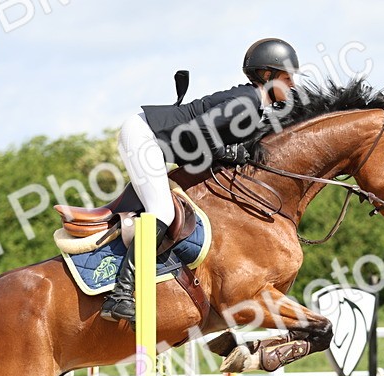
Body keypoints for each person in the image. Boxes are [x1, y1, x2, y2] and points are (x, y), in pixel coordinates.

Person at [100, 37, 300, 323]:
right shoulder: (246, 102)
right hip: (144, 138)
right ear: (267, 76)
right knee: (162, 211)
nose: (292, 84)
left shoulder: (252, 105)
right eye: (286, 77)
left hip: (156, 141)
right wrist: (230, 151)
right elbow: (197, 134)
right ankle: (120, 294)